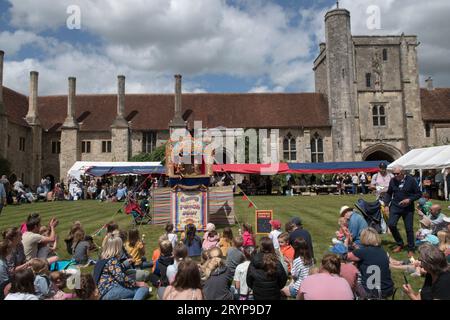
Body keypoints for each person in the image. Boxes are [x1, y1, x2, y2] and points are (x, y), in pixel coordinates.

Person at [94, 233, 149, 300]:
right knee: (143, 289)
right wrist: (138, 283)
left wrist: (123, 265)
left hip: (103, 294)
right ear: (116, 248)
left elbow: (114, 271)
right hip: (113, 290)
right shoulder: (112, 260)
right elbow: (121, 277)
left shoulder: (102, 259)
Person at [347, 228, 394, 299]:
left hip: (370, 291)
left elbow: (345, 256)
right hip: (387, 289)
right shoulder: (383, 252)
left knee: (350, 278)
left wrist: (347, 242)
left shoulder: (362, 252)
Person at [385, 165, 422, 256]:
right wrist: (386, 204)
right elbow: (389, 193)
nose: (395, 175)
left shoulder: (411, 180)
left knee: (409, 228)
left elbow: (418, 194)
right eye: (394, 174)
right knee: (391, 224)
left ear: (403, 172)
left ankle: (411, 248)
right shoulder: (393, 180)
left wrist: (409, 199)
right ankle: (400, 243)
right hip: (395, 206)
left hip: (408, 208)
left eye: (397, 173)